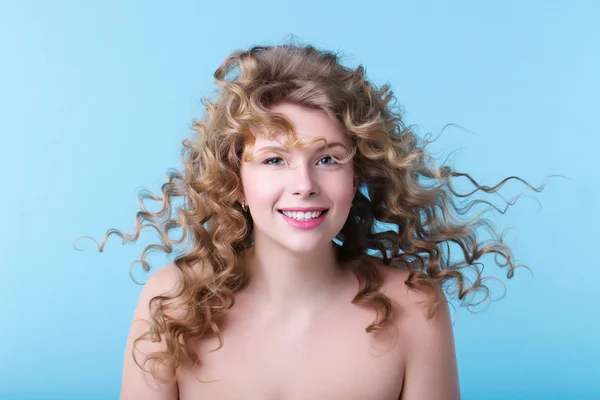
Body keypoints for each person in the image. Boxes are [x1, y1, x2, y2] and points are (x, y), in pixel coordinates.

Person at [81, 41, 544, 399]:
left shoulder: (414, 308)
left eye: (328, 159)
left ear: (357, 173)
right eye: (274, 160)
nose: (304, 184)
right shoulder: (173, 302)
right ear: (236, 182)